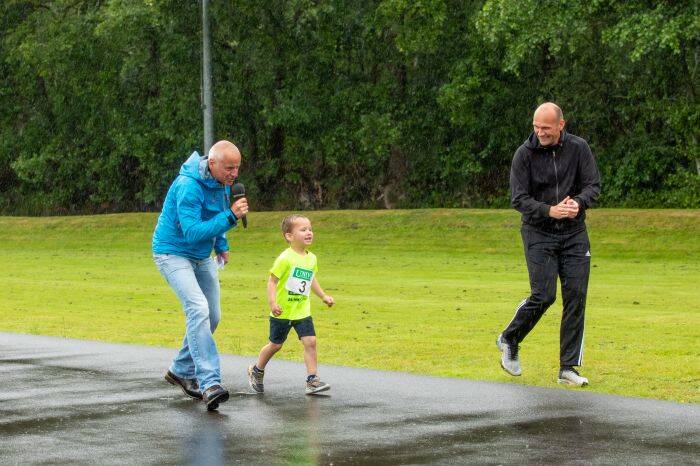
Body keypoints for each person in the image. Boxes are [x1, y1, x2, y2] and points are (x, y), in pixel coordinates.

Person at [497, 103, 601, 387]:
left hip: (574, 233)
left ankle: (568, 368)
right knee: (544, 295)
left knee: (576, 296)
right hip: (538, 232)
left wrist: (577, 203)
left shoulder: (579, 149)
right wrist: (549, 211)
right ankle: (510, 338)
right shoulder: (524, 155)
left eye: (545, 128)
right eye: (536, 127)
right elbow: (518, 199)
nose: (540, 133)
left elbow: (593, 186)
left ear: (561, 125)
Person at [152, 140, 249, 410]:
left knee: (213, 315)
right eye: (229, 168)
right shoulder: (188, 185)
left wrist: (222, 245)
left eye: (237, 168)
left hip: (201, 254)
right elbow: (192, 231)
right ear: (212, 163)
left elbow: (215, 215)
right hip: (172, 252)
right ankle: (210, 383)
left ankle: (180, 370)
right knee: (197, 308)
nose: (234, 174)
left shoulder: (221, 184)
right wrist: (231, 216)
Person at [247, 215, 335, 395]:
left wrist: (323, 296)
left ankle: (312, 380)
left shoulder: (312, 259)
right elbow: (272, 281)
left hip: (302, 310)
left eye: (310, 229)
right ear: (289, 236)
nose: (309, 232)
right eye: (303, 230)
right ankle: (256, 370)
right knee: (275, 345)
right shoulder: (285, 258)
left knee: (310, 342)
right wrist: (273, 303)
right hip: (283, 311)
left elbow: (310, 280)